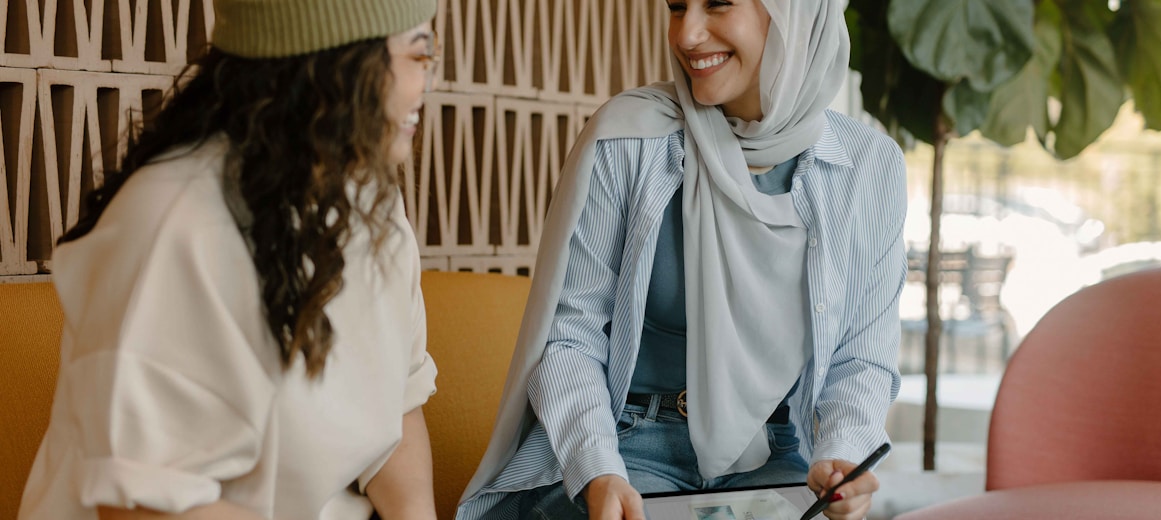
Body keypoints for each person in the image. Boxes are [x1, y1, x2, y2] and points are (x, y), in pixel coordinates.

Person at [457, 1, 906, 519]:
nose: (688, 35)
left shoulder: (869, 167)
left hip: (774, 453)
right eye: (676, 7)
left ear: (793, 15)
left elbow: (862, 356)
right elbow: (569, 336)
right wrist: (598, 470)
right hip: (622, 447)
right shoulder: (628, 137)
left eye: (717, 4)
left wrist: (841, 460)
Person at [17, 0, 441, 518]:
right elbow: (147, 506)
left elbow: (398, 414)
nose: (428, 81)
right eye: (419, 56)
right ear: (337, 62)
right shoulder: (175, 224)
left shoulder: (368, 196)